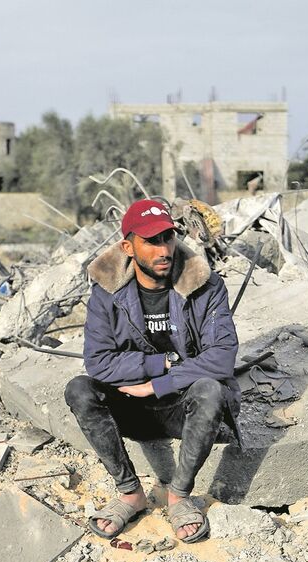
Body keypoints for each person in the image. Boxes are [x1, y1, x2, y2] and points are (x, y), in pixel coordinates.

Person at [64, 199, 239, 543]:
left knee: (212, 390)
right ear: (128, 247)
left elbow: (222, 357)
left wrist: (161, 384)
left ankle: (179, 495)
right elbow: (98, 361)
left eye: (168, 238)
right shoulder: (106, 292)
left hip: (184, 407)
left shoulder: (204, 284)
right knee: (79, 389)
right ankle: (130, 492)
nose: (164, 249)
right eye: (151, 240)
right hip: (131, 405)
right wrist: (161, 363)